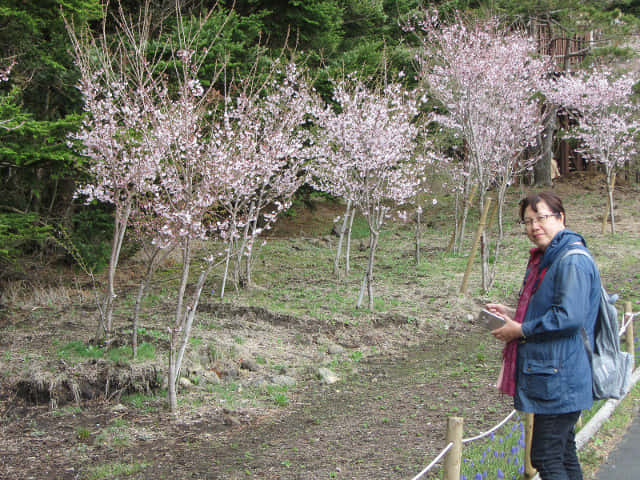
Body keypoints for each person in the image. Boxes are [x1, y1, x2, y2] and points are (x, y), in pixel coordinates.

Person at [486, 191, 600, 480]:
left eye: (542, 218)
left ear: (561, 218)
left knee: (545, 455)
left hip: (561, 374)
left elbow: (569, 317)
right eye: (527, 221)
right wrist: (513, 313)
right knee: (562, 451)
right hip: (558, 372)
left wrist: (521, 329)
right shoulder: (549, 259)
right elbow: (553, 308)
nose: (534, 226)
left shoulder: (570, 260)